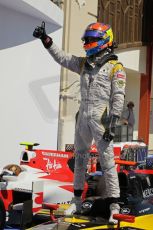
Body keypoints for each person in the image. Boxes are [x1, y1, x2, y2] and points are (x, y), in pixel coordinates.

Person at [33, 21, 126, 224]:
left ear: (104, 41)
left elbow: (118, 96)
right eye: (87, 39)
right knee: (80, 160)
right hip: (82, 118)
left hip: (102, 120)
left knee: (108, 163)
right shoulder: (84, 63)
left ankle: (115, 206)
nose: (87, 42)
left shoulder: (115, 67)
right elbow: (64, 58)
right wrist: (46, 41)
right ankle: (76, 200)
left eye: (91, 39)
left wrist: (113, 123)